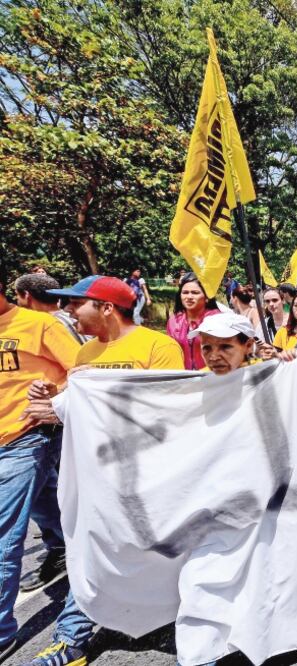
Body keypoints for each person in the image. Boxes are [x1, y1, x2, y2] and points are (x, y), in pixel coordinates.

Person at [21, 275, 184, 666]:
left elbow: (170, 410)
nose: (69, 310)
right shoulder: (85, 353)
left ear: (107, 308)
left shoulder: (159, 347)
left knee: (165, 555)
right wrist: (52, 401)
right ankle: (71, 641)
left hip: (148, 476)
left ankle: (187, 625)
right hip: (98, 478)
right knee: (91, 552)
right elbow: (78, 413)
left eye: (78, 304)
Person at [0, 278, 79, 663]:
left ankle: (1, 633)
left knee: (3, 536)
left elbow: (85, 373)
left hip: (27, 436)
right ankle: (67, 545)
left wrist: (54, 394)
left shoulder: (40, 325)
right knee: (43, 502)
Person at [167, 273, 222, 371]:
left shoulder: (217, 319)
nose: (189, 296)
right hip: (182, 378)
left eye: (195, 292)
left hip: (212, 377)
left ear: (207, 297)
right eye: (185, 292)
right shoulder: (174, 320)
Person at [13, 274, 88, 345]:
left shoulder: (48, 325)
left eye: (17, 294)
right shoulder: (72, 319)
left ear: (26, 295)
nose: (17, 299)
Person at [192, 312, 259, 375]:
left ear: (248, 346)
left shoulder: (264, 375)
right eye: (206, 348)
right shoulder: (198, 380)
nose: (214, 358)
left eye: (225, 347)